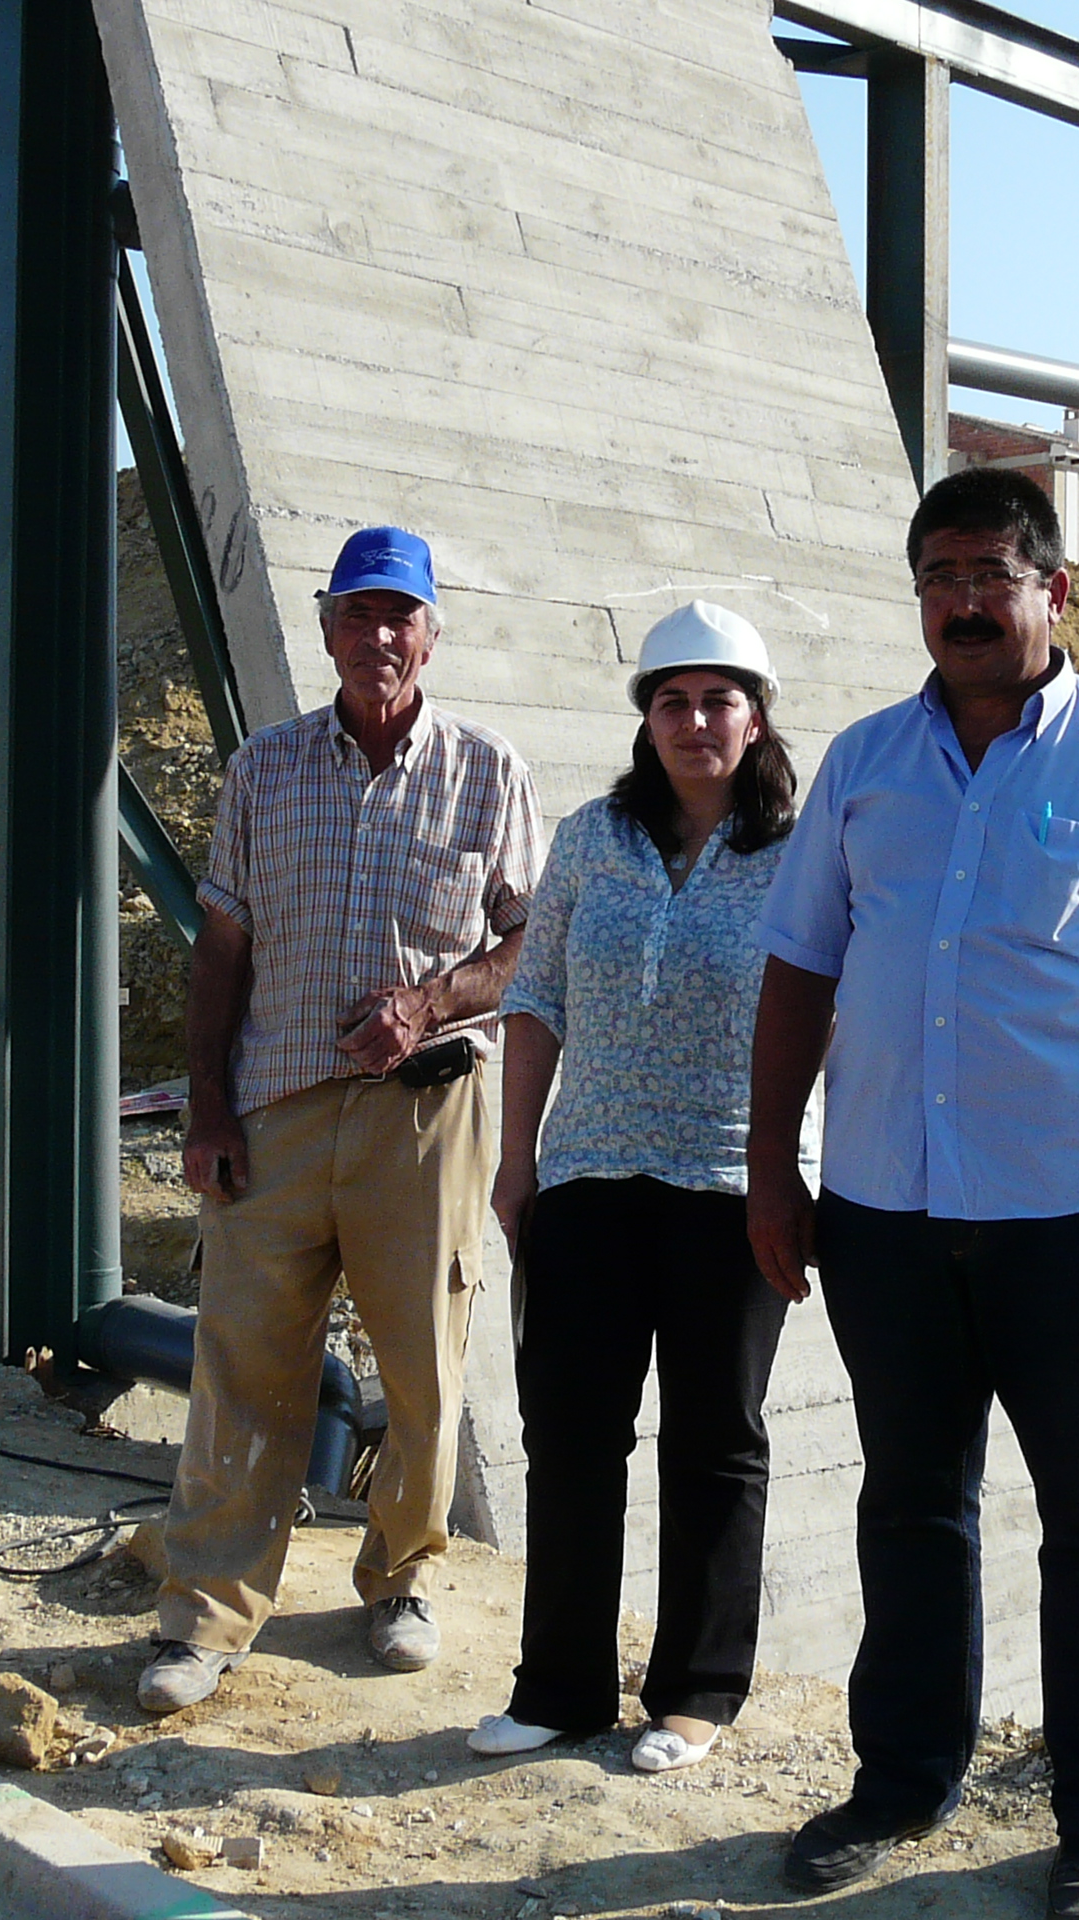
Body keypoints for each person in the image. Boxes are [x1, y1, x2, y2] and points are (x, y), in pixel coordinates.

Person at [745, 469, 1079, 1920]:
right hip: (884, 1212)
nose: (964, 601)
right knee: (912, 1501)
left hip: (1078, 1219)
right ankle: (903, 1777)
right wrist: (772, 1171)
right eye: (938, 575)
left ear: (1053, 589)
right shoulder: (863, 763)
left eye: (991, 572)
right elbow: (799, 971)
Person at [139, 525, 542, 1714]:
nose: (379, 638)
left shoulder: (486, 770)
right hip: (274, 1109)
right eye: (357, 616)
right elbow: (224, 942)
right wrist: (208, 1101)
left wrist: (428, 1003)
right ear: (325, 628)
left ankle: (401, 1581)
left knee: (420, 1363)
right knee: (240, 1365)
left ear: (430, 634)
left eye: (399, 617)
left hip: (428, 1117)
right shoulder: (264, 770)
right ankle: (206, 1613)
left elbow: (528, 946)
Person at [469, 601, 800, 1774]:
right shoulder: (590, 840)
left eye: (719, 700)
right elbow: (536, 1000)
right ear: (645, 720)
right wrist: (518, 1164)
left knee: (716, 1441)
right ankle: (557, 1688)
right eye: (672, 701)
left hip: (728, 1184)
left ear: (756, 719)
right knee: (570, 1435)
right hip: (590, 1177)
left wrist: (802, 1180)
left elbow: (835, 1020)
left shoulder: (803, 857)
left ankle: (697, 1693)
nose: (695, 721)